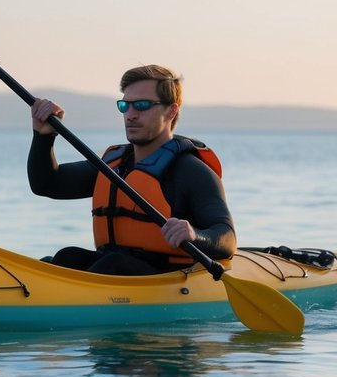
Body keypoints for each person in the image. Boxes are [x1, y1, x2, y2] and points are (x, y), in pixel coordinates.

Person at [27, 64, 236, 276]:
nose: (131, 115)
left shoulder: (191, 171)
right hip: (112, 272)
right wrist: (43, 137)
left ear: (171, 111)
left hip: (167, 279)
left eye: (142, 105)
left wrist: (194, 235)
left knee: (114, 265)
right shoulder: (114, 165)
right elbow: (46, 184)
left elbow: (226, 238)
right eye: (125, 106)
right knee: (67, 256)